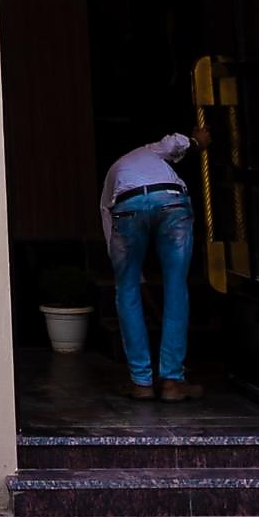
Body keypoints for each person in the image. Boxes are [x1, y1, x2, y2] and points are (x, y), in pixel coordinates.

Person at [100, 131, 199, 402]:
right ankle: (172, 382)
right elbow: (173, 143)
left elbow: (109, 225)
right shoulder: (149, 150)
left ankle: (141, 382)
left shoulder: (112, 176)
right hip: (171, 202)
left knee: (127, 291)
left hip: (127, 207)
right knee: (176, 288)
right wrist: (195, 142)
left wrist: (134, 277)